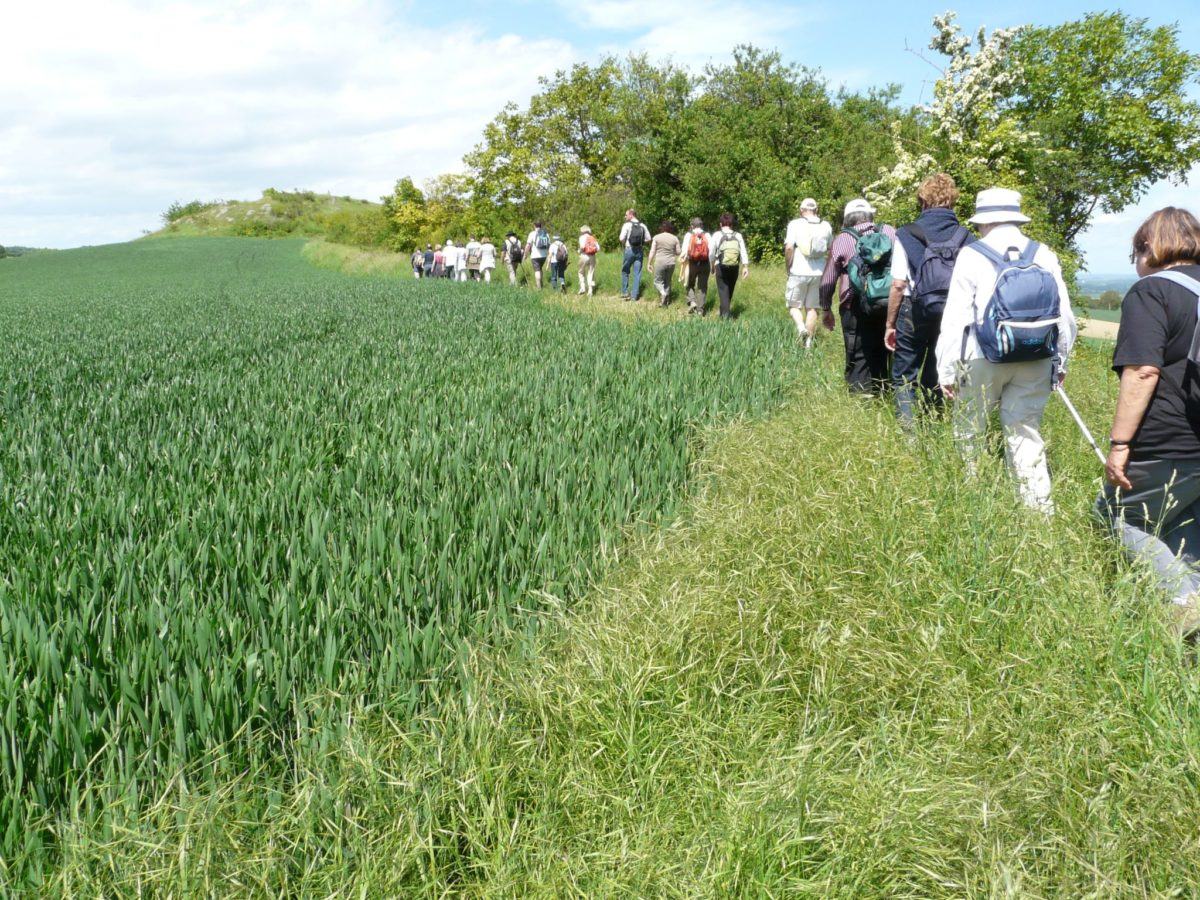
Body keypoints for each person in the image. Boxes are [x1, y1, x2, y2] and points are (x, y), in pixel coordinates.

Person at [934, 187, 1077, 514]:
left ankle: (971, 503)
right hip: (1037, 356)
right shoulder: (1044, 254)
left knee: (970, 431)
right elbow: (1065, 317)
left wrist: (946, 370)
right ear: (1016, 218)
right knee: (1025, 433)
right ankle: (1039, 515)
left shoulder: (972, 254)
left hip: (983, 357)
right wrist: (1060, 361)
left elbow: (955, 318)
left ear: (985, 221)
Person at [1096, 207, 1200, 635]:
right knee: (1184, 521)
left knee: (1117, 515)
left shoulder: (1151, 291)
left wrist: (1120, 443)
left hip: (1169, 437)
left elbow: (1142, 371)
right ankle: (1190, 597)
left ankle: (1183, 601)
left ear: (1147, 248)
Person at [884, 174, 973, 425]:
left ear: (922, 200)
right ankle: (932, 424)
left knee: (904, 374)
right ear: (952, 201)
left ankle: (909, 435)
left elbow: (899, 284)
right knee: (938, 368)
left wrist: (890, 324)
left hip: (914, 310)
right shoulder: (966, 237)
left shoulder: (907, 233)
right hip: (952, 312)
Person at [819, 199, 897, 394]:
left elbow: (829, 279)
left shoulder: (843, 239)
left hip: (854, 304)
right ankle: (884, 391)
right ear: (870, 215)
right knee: (885, 348)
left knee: (859, 352)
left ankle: (860, 397)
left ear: (847, 218)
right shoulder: (889, 231)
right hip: (889, 301)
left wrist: (826, 308)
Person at [784, 198, 834, 347]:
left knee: (794, 306)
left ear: (801, 210)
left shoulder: (795, 224)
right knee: (812, 308)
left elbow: (789, 248)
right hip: (819, 272)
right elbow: (831, 248)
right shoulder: (826, 226)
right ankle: (808, 346)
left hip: (798, 270)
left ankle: (800, 328)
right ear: (816, 210)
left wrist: (788, 266)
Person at [710, 213, 750, 320]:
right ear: (732, 224)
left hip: (720, 266)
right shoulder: (738, 235)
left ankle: (726, 317)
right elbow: (743, 252)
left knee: (723, 291)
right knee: (729, 291)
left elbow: (711, 253)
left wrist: (712, 265)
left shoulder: (717, 235)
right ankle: (724, 313)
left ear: (720, 224)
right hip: (734, 267)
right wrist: (745, 266)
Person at [648, 219, 682, 307]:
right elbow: (678, 252)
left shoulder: (656, 237)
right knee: (668, 282)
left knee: (657, 282)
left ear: (661, 228)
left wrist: (649, 263)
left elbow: (652, 251)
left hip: (660, 262)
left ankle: (663, 294)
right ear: (670, 228)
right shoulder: (675, 238)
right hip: (671, 263)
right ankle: (666, 302)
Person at [681, 217, 711, 315]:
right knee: (702, 287)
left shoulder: (689, 235)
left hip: (692, 263)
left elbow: (684, 251)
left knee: (689, 284)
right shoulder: (707, 235)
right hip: (705, 263)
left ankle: (692, 302)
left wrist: (683, 263)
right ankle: (700, 310)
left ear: (692, 226)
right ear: (702, 225)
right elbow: (711, 251)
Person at [618, 209, 650, 301]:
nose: (625, 216)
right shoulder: (643, 225)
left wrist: (625, 243)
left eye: (626, 215)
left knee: (625, 271)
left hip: (629, 249)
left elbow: (621, 238)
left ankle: (625, 292)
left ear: (631, 215)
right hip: (639, 251)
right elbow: (649, 238)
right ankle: (634, 296)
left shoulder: (626, 225)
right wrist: (640, 242)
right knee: (637, 273)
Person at [525, 221, 551, 289]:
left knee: (537, 270)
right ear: (541, 226)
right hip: (544, 256)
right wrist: (548, 254)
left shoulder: (532, 234)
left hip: (535, 256)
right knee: (540, 269)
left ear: (534, 226)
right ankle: (541, 283)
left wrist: (525, 254)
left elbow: (528, 245)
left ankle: (539, 287)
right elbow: (549, 245)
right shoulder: (546, 234)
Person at [578, 225, 599, 296]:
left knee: (581, 272)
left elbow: (582, 247)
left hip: (584, 256)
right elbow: (598, 248)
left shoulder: (581, 237)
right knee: (591, 272)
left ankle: (583, 287)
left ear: (582, 231)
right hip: (593, 256)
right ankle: (590, 290)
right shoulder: (592, 238)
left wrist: (579, 251)